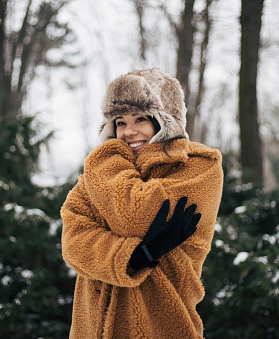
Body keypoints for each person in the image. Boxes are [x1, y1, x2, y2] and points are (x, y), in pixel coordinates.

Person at [60, 68, 223, 338]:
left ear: (165, 120)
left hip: (161, 325)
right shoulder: (101, 173)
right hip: (91, 328)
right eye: (120, 122)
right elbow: (73, 242)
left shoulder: (198, 166)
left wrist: (106, 155)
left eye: (140, 119)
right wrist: (138, 256)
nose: (128, 132)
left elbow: (134, 216)